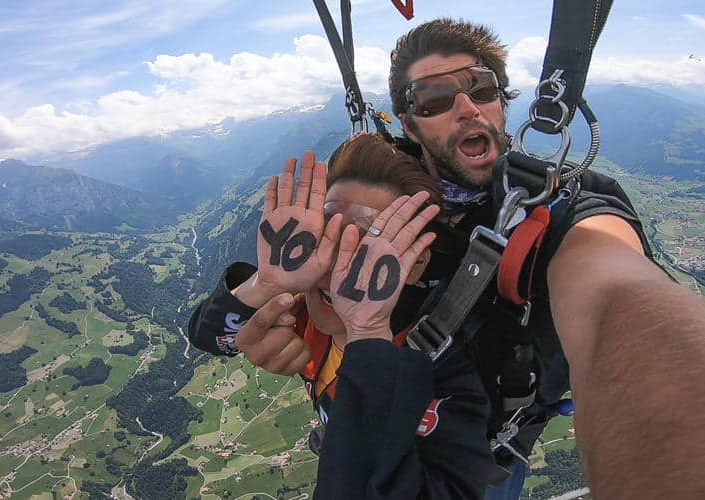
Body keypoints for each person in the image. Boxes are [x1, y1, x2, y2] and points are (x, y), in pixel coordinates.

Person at [223, 18, 705, 499]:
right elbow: (253, 306)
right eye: (435, 98)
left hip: (483, 450)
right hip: (368, 412)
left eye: (482, 89)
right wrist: (265, 299)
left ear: (503, 102)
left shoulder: (560, 211)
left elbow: (617, 299)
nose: (467, 108)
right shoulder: (378, 189)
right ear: (408, 122)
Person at [189, 133, 495, 497]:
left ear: (415, 268)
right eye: (324, 237)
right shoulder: (305, 308)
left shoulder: (444, 374)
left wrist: (367, 330)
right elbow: (207, 337)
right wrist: (266, 284)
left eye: (367, 246)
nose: (337, 267)